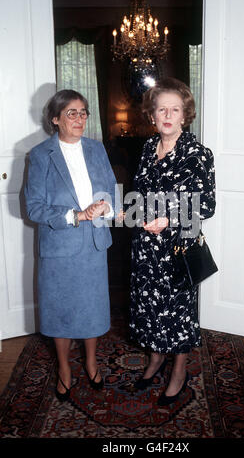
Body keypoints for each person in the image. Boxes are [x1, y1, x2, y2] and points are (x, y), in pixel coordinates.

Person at [25, 89, 119, 401]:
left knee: (92, 308)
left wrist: (104, 205)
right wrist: (77, 215)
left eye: (83, 112)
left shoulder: (96, 149)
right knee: (61, 310)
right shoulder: (40, 155)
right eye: (71, 113)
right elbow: (34, 207)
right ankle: (65, 369)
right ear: (55, 119)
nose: (79, 119)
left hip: (93, 242)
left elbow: (109, 189)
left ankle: (91, 362)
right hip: (60, 247)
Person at [128, 77, 216, 406]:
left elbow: (206, 205)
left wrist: (169, 218)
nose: (167, 114)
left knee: (177, 312)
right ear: (152, 115)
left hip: (178, 247)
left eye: (174, 109)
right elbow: (139, 194)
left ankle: (179, 369)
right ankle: (156, 357)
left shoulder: (197, 153)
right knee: (149, 308)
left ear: (185, 115)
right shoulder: (148, 148)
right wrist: (131, 212)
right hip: (146, 246)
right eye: (161, 108)